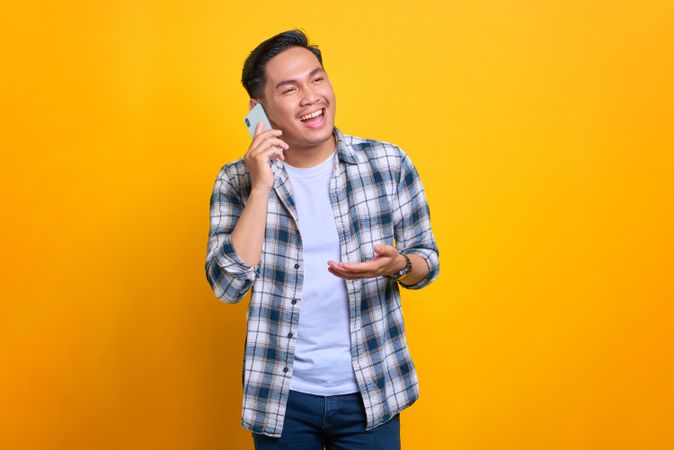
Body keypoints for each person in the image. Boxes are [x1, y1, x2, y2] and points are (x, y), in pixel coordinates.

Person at [205, 29, 440, 449]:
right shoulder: (235, 181)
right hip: (281, 398)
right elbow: (227, 286)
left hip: (372, 390)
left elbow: (427, 263)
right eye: (290, 89)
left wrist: (399, 265)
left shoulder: (387, 162)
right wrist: (261, 187)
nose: (311, 98)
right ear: (258, 109)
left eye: (317, 79)